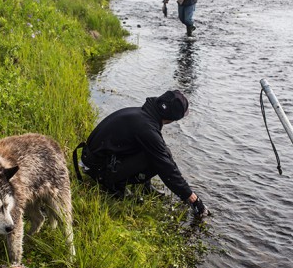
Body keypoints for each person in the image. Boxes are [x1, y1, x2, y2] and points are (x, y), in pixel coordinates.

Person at [77, 89, 209, 218]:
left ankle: (145, 186)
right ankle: (113, 186)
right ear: (172, 118)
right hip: (97, 168)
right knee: (157, 159)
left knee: (160, 152)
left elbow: (160, 153)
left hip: (93, 158)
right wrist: (192, 198)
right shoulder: (147, 129)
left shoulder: (143, 115)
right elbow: (167, 168)